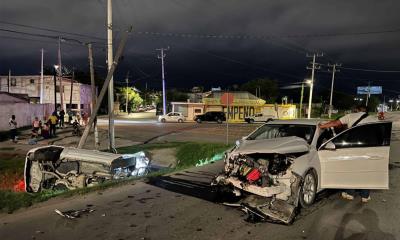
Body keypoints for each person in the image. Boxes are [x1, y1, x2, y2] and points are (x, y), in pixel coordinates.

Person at [319, 105, 375, 203]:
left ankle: (350, 193)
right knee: (366, 171)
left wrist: (321, 126)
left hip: (354, 147)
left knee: (352, 170)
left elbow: (336, 123)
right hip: (370, 147)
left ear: (356, 110)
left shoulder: (351, 116)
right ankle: (365, 196)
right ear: (366, 111)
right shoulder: (374, 119)